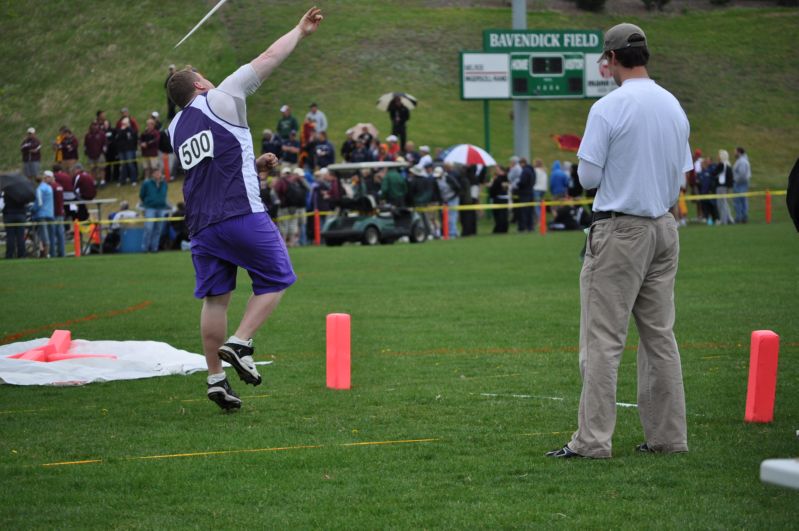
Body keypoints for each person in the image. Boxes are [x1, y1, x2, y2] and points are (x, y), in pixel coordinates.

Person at [166, 6, 322, 411]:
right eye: (204, 77)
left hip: (201, 226)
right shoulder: (222, 95)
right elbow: (267, 59)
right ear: (199, 84)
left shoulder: (175, 129)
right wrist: (299, 31)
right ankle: (240, 342)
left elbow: (210, 168)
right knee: (277, 279)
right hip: (239, 214)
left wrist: (253, 166)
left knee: (215, 301)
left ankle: (215, 378)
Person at [547, 23, 692, 459]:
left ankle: (592, 441)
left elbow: (588, 177)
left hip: (620, 229)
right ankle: (668, 437)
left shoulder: (609, 107)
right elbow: (680, 175)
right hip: (664, 228)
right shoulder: (672, 104)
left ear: (611, 60)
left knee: (603, 341)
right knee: (660, 338)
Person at [2, 173, 35, 259]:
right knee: (20, 236)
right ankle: (21, 254)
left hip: (9, 215)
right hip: (20, 215)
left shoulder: (7, 192)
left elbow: (3, 204)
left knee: (10, 237)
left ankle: (9, 255)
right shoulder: (23, 193)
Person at [139, 168, 169, 252]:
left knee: (158, 230)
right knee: (148, 228)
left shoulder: (164, 184)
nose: (158, 174)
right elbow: (142, 195)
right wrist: (147, 202)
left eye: (159, 173)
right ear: (152, 174)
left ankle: (154, 248)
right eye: (156, 173)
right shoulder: (146, 183)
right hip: (150, 208)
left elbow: (165, 195)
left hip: (161, 208)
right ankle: (144, 248)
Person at [32, 174, 55, 258]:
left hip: (42, 214)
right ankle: (50, 252)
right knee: (49, 234)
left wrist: (32, 209)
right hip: (50, 213)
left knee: (43, 235)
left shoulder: (39, 189)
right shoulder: (49, 188)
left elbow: (39, 203)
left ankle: (45, 253)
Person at [45, 170, 65, 257]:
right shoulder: (59, 186)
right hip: (60, 213)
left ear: (50, 177)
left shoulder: (50, 188)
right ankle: (62, 253)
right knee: (60, 235)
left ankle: (53, 253)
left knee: (52, 235)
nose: (45, 180)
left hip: (53, 214)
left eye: (46, 178)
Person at [115, 118, 139, 186]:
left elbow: (131, 139)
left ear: (128, 123)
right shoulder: (120, 130)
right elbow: (117, 138)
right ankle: (122, 180)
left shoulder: (131, 130)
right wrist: (122, 130)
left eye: (125, 123)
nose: (123, 125)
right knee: (123, 165)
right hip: (121, 150)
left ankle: (133, 180)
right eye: (123, 124)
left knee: (130, 164)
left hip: (129, 150)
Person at [714, 149, 734, 225]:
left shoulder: (721, 165)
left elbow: (714, 174)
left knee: (721, 204)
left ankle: (723, 220)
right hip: (726, 187)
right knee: (725, 203)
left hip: (721, 187)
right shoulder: (728, 165)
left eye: (719, 155)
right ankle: (729, 218)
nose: (717, 156)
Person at [515, 158, 536, 232]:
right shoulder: (531, 170)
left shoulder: (525, 171)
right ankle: (530, 226)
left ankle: (523, 227)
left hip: (524, 193)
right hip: (530, 192)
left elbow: (522, 182)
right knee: (530, 211)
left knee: (524, 211)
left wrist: (518, 185)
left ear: (522, 163)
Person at [84, 121, 107, 185]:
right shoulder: (88, 135)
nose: (94, 126)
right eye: (93, 125)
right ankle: (94, 181)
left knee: (101, 168)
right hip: (90, 155)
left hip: (100, 154)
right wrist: (86, 151)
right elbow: (85, 145)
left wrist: (103, 151)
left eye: (96, 125)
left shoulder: (101, 134)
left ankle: (102, 180)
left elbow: (105, 143)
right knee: (92, 168)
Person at [733, 147, 751, 223]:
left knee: (740, 201)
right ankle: (742, 217)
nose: (734, 153)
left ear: (739, 152)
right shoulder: (742, 160)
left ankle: (740, 217)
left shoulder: (742, 161)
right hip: (742, 183)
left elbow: (742, 174)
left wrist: (736, 181)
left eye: (735, 152)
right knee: (742, 201)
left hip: (740, 184)